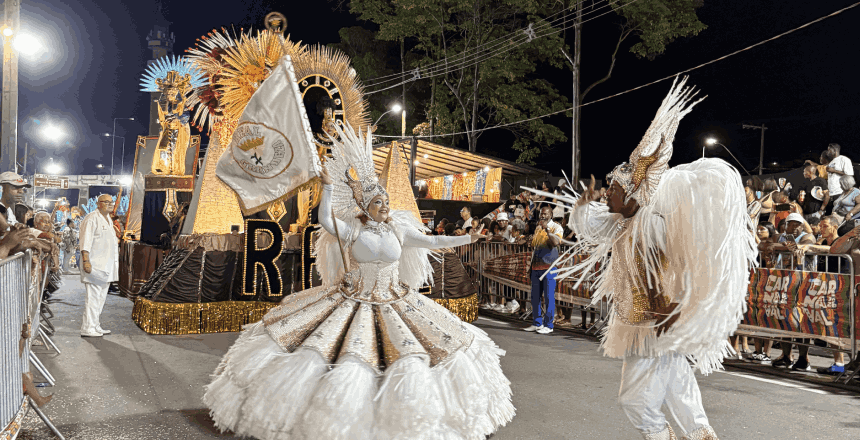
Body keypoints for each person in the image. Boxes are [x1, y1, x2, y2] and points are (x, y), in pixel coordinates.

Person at [204, 126, 514, 439]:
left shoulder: (399, 229)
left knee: (419, 352)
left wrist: (468, 238)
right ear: (366, 207)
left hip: (396, 300)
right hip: (354, 298)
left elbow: (432, 242)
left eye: (387, 201)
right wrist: (326, 188)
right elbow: (326, 221)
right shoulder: (353, 231)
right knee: (337, 354)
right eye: (379, 202)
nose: (386, 206)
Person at [550, 78, 755, 439]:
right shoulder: (625, 220)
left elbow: (667, 267)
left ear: (631, 194)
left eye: (613, 189)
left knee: (635, 402)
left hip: (652, 320)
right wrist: (581, 207)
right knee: (680, 392)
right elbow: (593, 227)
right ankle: (699, 434)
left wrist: (668, 309)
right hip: (650, 320)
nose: (607, 195)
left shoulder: (650, 224)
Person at [79, 194, 119, 337]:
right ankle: (88, 327)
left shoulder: (108, 219)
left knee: (100, 298)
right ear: (98, 204)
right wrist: (86, 260)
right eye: (106, 202)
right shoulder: (91, 218)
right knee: (93, 298)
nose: (110, 204)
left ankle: (95, 325)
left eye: (111, 202)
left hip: (106, 266)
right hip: (94, 264)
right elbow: (85, 241)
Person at [523, 205, 562, 335]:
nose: (542, 216)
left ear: (551, 215)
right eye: (541, 213)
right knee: (535, 297)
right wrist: (531, 266)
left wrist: (547, 230)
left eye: (545, 214)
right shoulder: (538, 228)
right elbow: (535, 248)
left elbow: (555, 242)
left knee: (549, 297)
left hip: (549, 268)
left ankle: (549, 325)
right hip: (536, 267)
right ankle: (537, 323)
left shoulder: (557, 227)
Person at [823, 143, 854, 214]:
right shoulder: (831, 162)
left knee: (838, 217)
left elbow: (849, 176)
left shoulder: (844, 159)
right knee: (829, 217)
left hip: (840, 193)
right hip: (831, 194)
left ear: (834, 150)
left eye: (829, 150)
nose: (827, 152)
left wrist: (834, 171)